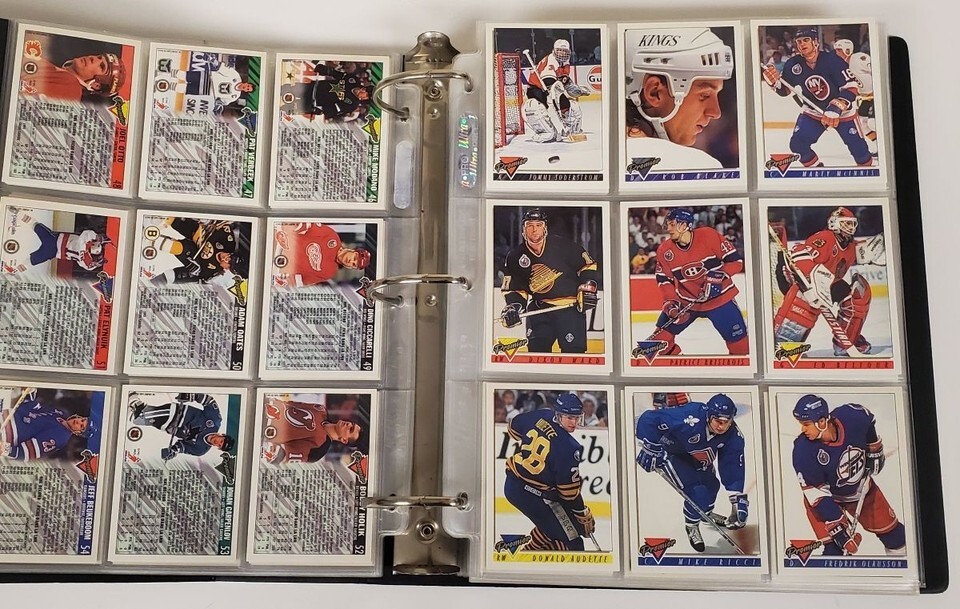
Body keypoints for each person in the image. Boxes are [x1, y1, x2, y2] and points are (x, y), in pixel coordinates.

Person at [790, 394, 906, 556]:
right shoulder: (803, 450)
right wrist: (838, 529)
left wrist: (873, 446)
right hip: (826, 501)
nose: (803, 429)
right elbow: (817, 494)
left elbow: (868, 420)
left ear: (822, 422)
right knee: (835, 551)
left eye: (806, 424)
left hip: (861, 490)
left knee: (897, 538)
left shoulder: (851, 416)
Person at [635, 394, 748, 552]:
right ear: (709, 415)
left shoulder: (733, 435)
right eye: (718, 421)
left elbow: (733, 464)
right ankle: (692, 525)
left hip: (698, 457)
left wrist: (737, 497)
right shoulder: (690, 416)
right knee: (698, 493)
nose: (722, 427)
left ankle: (705, 513)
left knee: (712, 486)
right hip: (673, 453)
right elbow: (649, 419)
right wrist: (650, 446)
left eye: (727, 422)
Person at [772, 207, 885, 356]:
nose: (850, 227)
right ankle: (784, 347)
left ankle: (846, 341)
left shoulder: (849, 245)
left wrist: (875, 250)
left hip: (827, 283)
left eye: (852, 224)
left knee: (858, 295)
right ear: (834, 223)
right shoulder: (826, 238)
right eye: (846, 223)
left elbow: (859, 252)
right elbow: (798, 252)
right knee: (805, 304)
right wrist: (812, 279)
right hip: (799, 279)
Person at [761, 27, 872, 168]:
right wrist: (773, 83)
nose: (802, 44)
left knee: (860, 152)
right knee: (798, 145)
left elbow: (851, 87)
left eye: (806, 40)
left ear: (816, 42)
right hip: (814, 111)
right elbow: (785, 91)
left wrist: (836, 107)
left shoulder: (833, 60)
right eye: (799, 41)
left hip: (843, 113)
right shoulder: (793, 64)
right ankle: (818, 172)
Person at [625, 27, 733, 171]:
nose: (715, 112)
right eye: (705, 95)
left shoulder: (596, 154)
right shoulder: (699, 166)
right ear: (654, 92)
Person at [499, 208, 600, 354]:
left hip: (569, 309)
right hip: (539, 310)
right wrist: (514, 307)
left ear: (545, 228)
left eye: (538, 225)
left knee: (574, 355)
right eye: (529, 225)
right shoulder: (515, 256)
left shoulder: (563, 246)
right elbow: (515, 288)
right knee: (537, 353)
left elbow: (588, 265)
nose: (534, 230)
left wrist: (588, 287)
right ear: (523, 229)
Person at [651, 208, 748, 357]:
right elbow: (664, 279)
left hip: (720, 300)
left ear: (685, 225)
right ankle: (674, 369)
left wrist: (717, 276)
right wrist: (670, 302)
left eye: (672, 224)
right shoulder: (665, 250)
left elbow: (736, 262)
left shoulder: (708, 235)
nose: (668, 228)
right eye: (668, 224)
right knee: (657, 344)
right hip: (686, 302)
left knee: (741, 348)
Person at [504, 393, 595, 551]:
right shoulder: (569, 447)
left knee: (559, 526)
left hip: (515, 484)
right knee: (574, 546)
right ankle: (527, 553)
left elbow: (513, 429)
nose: (574, 423)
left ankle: (529, 549)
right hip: (531, 494)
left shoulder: (542, 414)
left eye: (577, 418)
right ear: (558, 415)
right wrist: (581, 511)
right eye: (569, 418)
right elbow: (568, 494)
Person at [522, 39, 591, 143]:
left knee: (571, 106)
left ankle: (571, 130)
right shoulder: (551, 60)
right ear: (554, 50)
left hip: (551, 87)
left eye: (564, 51)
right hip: (536, 89)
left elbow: (564, 81)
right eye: (559, 50)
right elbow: (549, 81)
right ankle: (544, 132)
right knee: (536, 108)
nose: (562, 53)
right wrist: (554, 99)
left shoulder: (565, 63)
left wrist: (576, 90)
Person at [260, 395, 364, 464]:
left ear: (344, 440)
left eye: (350, 429)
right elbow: (288, 404)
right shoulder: (321, 409)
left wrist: (260, 443)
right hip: (261, 403)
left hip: (261, 428)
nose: (348, 424)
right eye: (352, 424)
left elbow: (280, 455)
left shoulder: (318, 450)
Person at [128, 393, 234, 460]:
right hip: (176, 413)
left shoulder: (201, 450)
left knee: (140, 418)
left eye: (220, 445)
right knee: (139, 417)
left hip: (169, 427)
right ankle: (133, 401)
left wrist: (172, 452)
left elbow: (182, 447)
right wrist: (192, 396)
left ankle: (133, 398)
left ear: (218, 448)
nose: (218, 442)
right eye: (221, 440)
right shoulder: (215, 421)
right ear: (222, 435)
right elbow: (209, 401)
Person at [1, 390, 96, 460]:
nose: (78, 422)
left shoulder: (60, 437)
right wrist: (30, 393)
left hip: (5, 432)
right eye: (82, 420)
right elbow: (36, 408)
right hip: (6, 414)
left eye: (81, 426)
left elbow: (29, 452)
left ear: (78, 433)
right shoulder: (62, 413)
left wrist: (6, 449)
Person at [271, 222, 371, 288]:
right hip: (277, 241)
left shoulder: (329, 272)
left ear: (350, 267)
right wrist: (284, 229)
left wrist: (278, 282)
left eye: (353, 264)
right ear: (352, 250)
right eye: (354, 258)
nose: (351, 261)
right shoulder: (332, 236)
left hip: (275, 267)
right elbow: (304, 226)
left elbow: (300, 280)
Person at [152, 217, 239, 284]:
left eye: (229, 263)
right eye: (230, 256)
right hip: (198, 233)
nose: (227, 258)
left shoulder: (212, 272)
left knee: (176, 248)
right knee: (175, 220)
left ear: (227, 268)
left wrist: (194, 270)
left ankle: (150, 239)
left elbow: (198, 278)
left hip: (193, 254)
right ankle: (156, 218)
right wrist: (209, 221)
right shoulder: (229, 242)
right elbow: (222, 223)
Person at [21, 50, 126, 102]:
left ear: (96, 85)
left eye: (101, 66)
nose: (93, 58)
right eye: (99, 57)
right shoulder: (63, 77)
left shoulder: (71, 88)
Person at [833, 38, 877, 156]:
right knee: (863, 124)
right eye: (836, 50)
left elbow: (877, 70)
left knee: (872, 123)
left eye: (839, 50)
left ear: (847, 50)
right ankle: (879, 145)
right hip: (864, 98)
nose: (837, 53)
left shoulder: (858, 58)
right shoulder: (840, 66)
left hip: (876, 96)